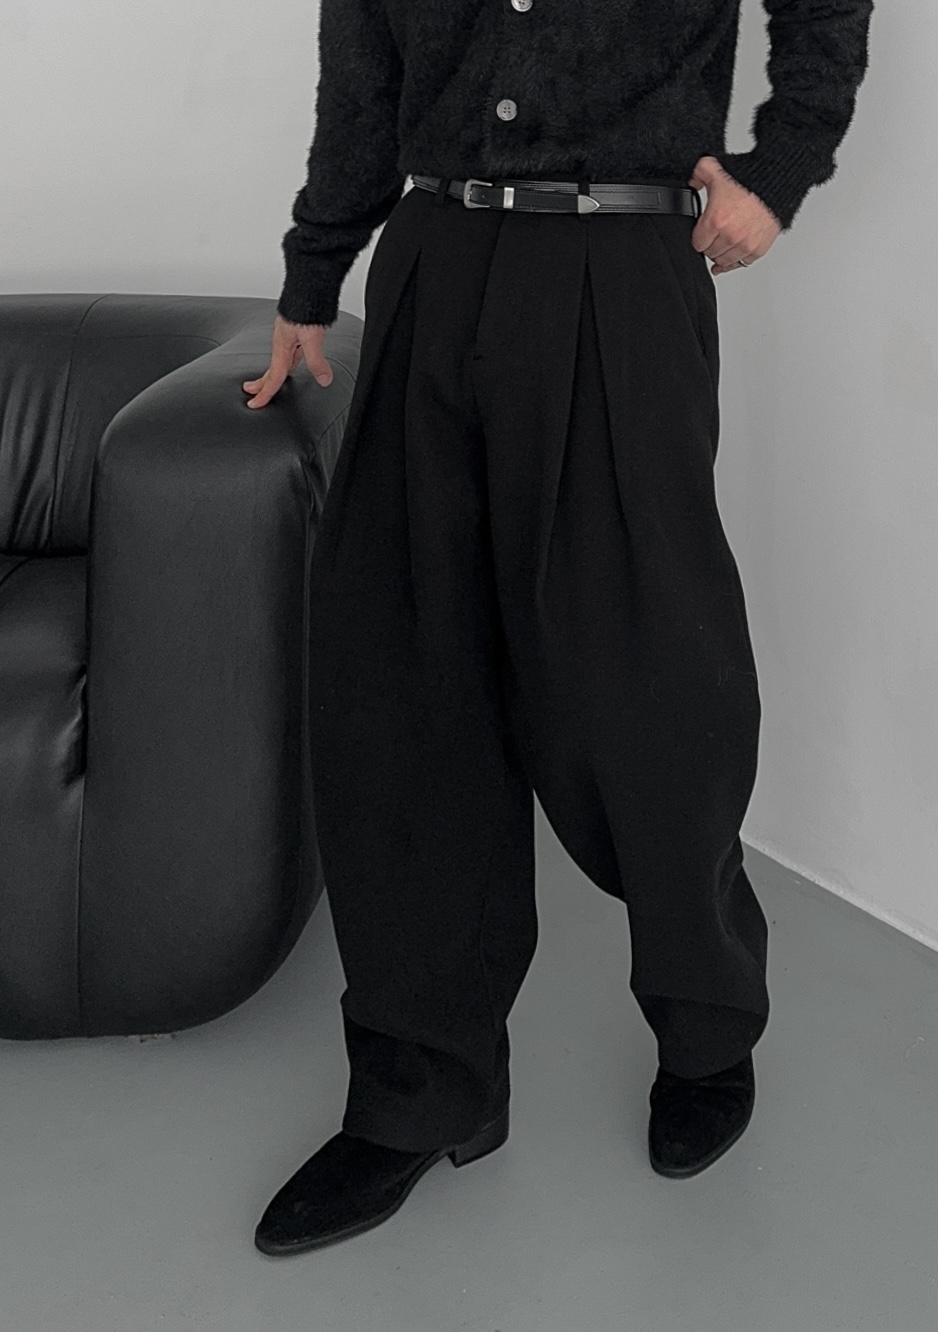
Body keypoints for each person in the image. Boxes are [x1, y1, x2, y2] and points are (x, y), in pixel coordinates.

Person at [243, 0, 874, 1257]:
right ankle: (425, 1088)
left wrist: (782, 166)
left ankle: (706, 1022)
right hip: (433, 261)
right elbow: (359, 70)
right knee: (401, 679)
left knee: (644, 686)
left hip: (619, 267)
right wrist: (314, 271)